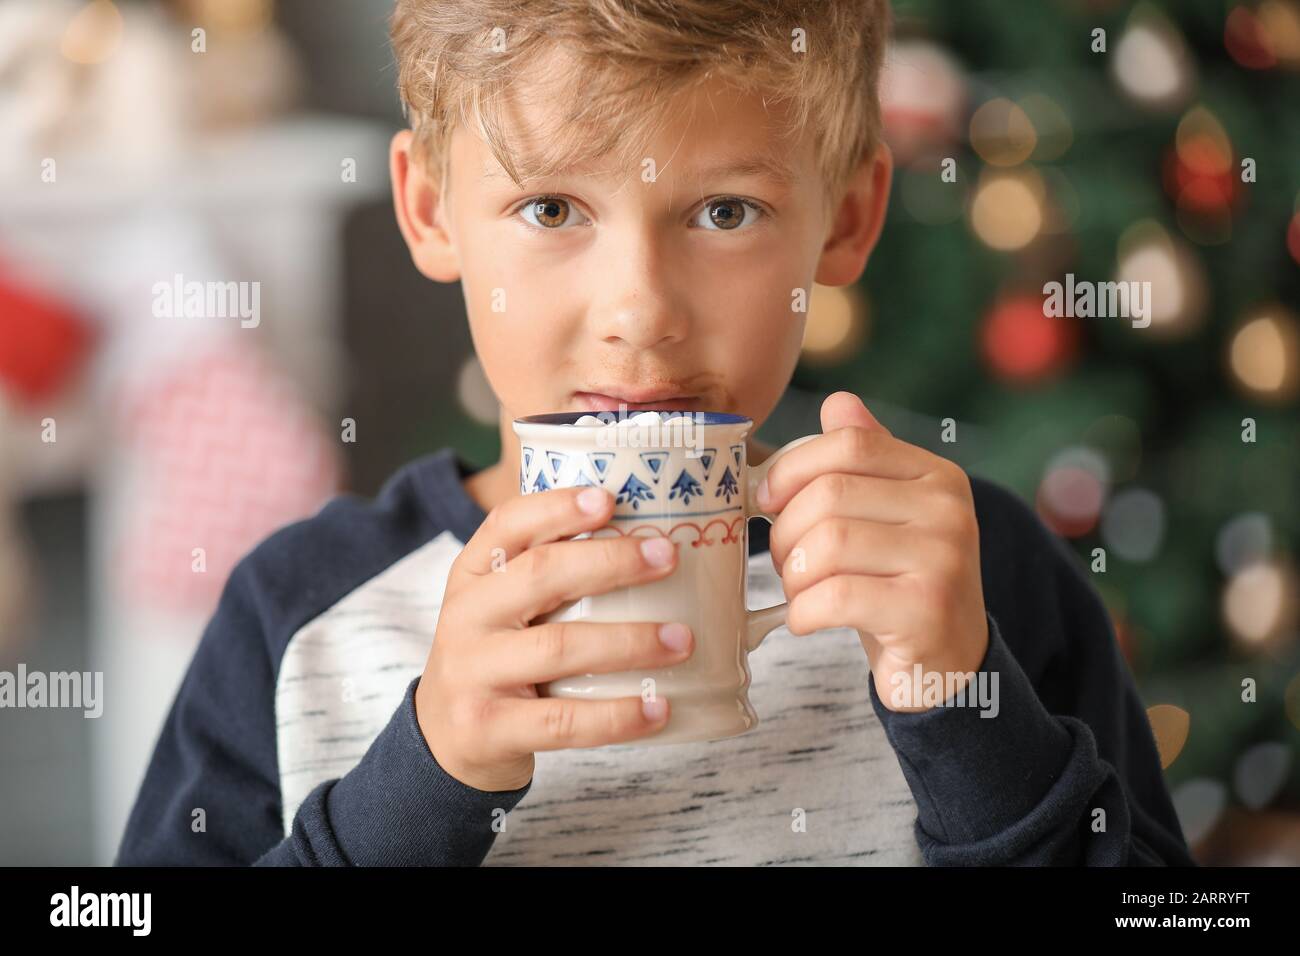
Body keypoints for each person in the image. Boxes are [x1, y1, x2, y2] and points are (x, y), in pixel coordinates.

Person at [116, 0, 1194, 866]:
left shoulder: (974, 575)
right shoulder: (296, 613)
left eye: (724, 211)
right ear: (431, 209)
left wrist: (965, 709)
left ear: (850, 216)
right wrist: (424, 779)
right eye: (551, 210)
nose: (639, 309)